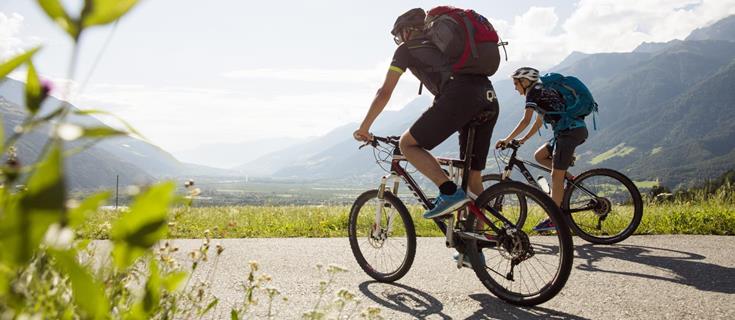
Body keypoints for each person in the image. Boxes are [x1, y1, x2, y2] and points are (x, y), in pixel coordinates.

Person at [353, 8, 500, 220]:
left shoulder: (406, 50)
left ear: (406, 31)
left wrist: (365, 127)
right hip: (488, 96)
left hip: (460, 97)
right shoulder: (446, 47)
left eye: (398, 36)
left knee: (407, 144)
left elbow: (384, 92)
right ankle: (479, 242)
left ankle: (448, 191)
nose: (398, 40)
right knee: (473, 176)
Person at [495, 67, 588, 231]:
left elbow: (526, 120)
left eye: (516, 84)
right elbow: (538, 121)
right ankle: (570, 180)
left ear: (525, 81)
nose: (516, 89)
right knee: (540, 156)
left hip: (569, 132)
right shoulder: (542, 90)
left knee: (555, 175)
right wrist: (522, 140)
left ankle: (554, 219)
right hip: (570, 131)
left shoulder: (534, 92)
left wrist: (506, 139)